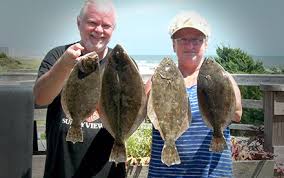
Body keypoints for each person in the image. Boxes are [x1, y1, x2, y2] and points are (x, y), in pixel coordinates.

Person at [33, 0, 126, 177]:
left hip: (108, 172)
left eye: (106, 25)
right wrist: (64, 65)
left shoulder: (121, 63)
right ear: (79, 23)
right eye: (92, 22)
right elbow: (40, 98)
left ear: (113, 30)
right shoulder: (59, 56)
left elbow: (132, 105)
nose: (99, 30)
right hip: (62, 170)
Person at [145, 11, 242, 178]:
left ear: (206, 44)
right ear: (173, 45)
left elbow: (237, 114)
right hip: (165, 173)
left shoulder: (223, 79)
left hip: (212, 173)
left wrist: (225, 84)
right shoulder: (157, 81)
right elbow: (136, 113)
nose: (190, 46)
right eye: (183, 40)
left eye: (197, 40)